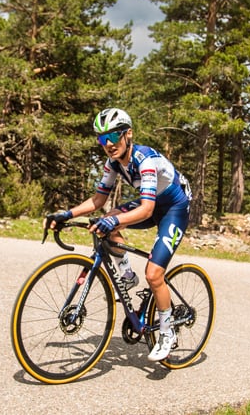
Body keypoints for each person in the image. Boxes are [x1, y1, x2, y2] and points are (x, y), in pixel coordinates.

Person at [48, 108, 192, 362]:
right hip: (151, 203)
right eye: (103, 139)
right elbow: (98, 200)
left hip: (173, 208)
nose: (109, 144)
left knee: (154, 274)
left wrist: (114, 219)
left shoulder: (145, 160)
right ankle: (126, 274)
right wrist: (66, 214)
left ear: (128, 134)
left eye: (114, 136)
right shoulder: (113, 163)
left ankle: (168, 333)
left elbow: (147, 209)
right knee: (107, 220)